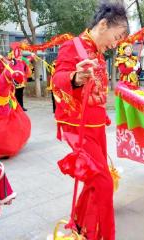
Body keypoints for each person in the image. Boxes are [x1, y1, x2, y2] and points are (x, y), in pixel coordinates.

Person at [52, 2, 128, 239]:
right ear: (103, 25)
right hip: (78, 126)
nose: (115, 44)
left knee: (95, 182)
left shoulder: (98, 52)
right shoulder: (72, 46)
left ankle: (81, 227)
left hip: (95, 125)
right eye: (115, 37)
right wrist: (75, 77)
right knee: (104, 182)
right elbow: (58, 78)